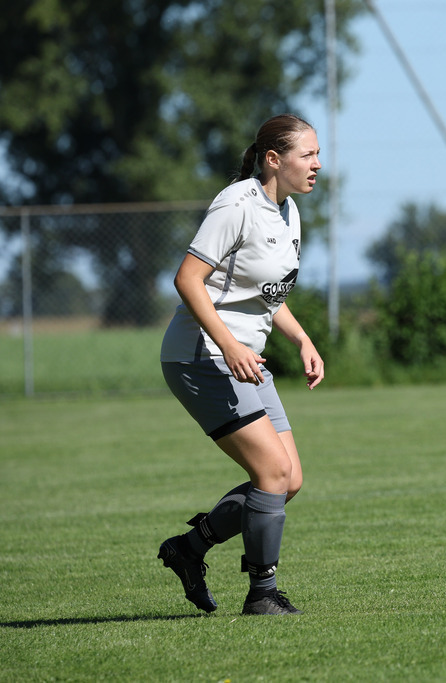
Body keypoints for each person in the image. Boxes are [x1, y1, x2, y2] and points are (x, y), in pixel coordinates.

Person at [157, 113, 325, 615]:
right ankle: (262, 594)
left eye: (319, 155)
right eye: (308, 154)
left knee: (288, 479)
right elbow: (187, 279)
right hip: (201, 357)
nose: (318, 164)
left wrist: (302, 339)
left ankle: (189, 549)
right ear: (273, 159)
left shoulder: (289, 211)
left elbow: (267, 296)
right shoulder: (237, 205)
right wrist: (229, 344)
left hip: (243, 359)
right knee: (272, 471)